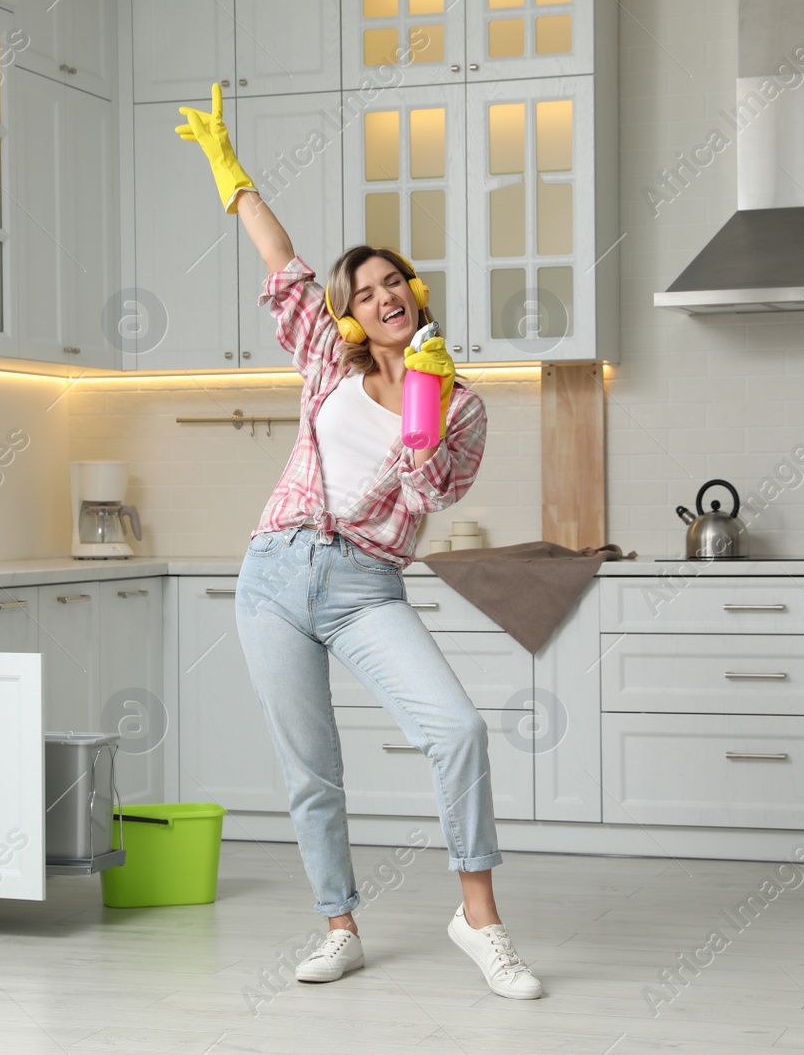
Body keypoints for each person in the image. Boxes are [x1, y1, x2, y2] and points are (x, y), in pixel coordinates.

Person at [175, 84, 543, 1000]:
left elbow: (426, 490)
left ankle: (478, 918)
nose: (379, 297)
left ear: (415, 295)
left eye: (393, 284)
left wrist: (423, 396)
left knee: (456, 730)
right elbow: (282, 260)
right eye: (364, 291)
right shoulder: (323, 360)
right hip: (272, 573)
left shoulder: (461, 405)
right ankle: (339, 923)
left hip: (363, 585)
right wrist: (233, 174)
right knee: (311, 768)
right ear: (349, 313)